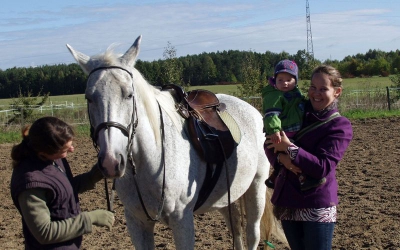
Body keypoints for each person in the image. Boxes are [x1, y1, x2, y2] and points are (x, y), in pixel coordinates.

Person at [265, 65, 353, 250]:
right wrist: (282, 161)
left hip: (316, 202)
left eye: (323, 89)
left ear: (337, 92)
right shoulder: (295, 110)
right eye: (312, 87)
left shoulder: (339, 126)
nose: (316, 94)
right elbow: (269, 142)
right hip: (287, 201)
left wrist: (289, 148)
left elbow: (322, 166)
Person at [10, 116, 114, 250]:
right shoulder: (30, 184)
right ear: (44, 152)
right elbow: (45, 232)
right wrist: (90, 218)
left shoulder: (51, 160)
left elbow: (64, 190)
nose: (72, 150)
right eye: (65, 150)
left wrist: (94, 174)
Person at [263, 59, 325, 191]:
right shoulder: (274, 96)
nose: (284, 83)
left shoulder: (295, 94)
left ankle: (274, 176)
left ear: (295, 81)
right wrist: (274, 130)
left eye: (288, 80)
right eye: (280, 80)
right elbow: (272, 114)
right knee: (295, 153)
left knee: (291, 153)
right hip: (282, 131)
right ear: (274, 80)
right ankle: (304, 178)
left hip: (293, 129)